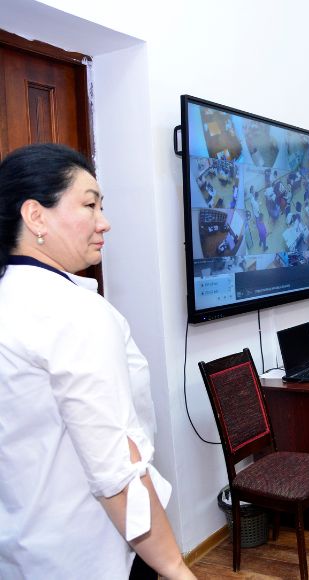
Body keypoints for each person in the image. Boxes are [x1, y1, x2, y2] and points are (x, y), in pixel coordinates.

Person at [0, 143, 195, 580]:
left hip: (23, 552)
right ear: (35, 216)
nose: (103, 222)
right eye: (89, 205)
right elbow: (116, 467)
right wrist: (175, 568)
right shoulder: (73, 312)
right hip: (95, 554)